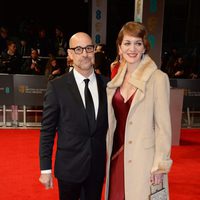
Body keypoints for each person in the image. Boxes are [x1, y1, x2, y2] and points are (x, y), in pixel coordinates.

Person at [104, 21, 173, 200]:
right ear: (119, 48)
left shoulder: (158, 79)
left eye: (138, 43)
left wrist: (160, 164)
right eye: (127, 43)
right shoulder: (115, 81)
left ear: (144, 47)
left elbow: (163, 127)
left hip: (145, 160)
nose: (132, 48)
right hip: (116, 156)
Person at [39, 32, 108, 200]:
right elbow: (47, 131)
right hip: (69, 169)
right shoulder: (57, 87)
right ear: (70, 54)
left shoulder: (108, 85)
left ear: (94, 51)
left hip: (97, 169)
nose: (84, 54)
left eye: (88, 48)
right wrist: (45, 169)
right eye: (78, 49)